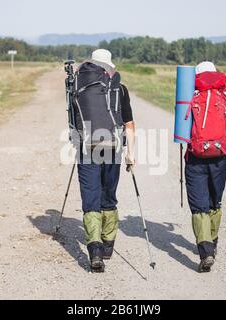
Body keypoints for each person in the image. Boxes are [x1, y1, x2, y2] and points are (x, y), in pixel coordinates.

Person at [76, 49, 136, 273]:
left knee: (90, 197)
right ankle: (108, 245)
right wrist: (131, 153)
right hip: (113, 148)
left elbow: (74, 123)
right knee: (108, 195)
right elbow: (129, 123)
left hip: (87, 148)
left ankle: (94, 252)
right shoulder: (119, 89)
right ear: (109, 67)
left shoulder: (78, 88)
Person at [185, 61, 226, 273]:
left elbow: (182, 132)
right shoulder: (225, 96)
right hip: (219, 157)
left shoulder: (191, 95)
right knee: (214, 201)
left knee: (199, 206)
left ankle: (205, 251)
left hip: (196, 157)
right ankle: (213, 242)